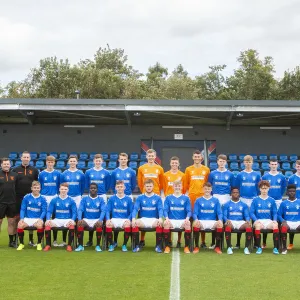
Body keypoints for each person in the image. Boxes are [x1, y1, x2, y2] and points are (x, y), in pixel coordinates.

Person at [137, 149, 164, 246]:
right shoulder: (141, 168)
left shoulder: (159, 168)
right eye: (149, 156)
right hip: (144, 196)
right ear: (147, 156)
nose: (151, 157)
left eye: (152, 156)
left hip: (156, 196)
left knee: (157, 218)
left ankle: (158, 242)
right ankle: (142, 239)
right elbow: (140, 182)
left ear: (155, 156)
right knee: (142, 216)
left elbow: (161, 183)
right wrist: (144, 190)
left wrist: (156, 191)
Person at [184, 150, 210, 248]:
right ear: (193, 157)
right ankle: (190, 239)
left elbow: (207, 183)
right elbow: (186, 184)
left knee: (202, 217)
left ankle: (203, 242)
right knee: (191, 218)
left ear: (201, 158)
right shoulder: (188, 169)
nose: (197, 158)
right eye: (195, 156)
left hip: (203, 197)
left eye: (198, 156)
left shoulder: (206, 169)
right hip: (192, 196)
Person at [13, 151, 39, 246]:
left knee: (31, 217)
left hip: (31, 198)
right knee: (17, 218)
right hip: (18, 197)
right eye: (24, 157)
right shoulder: (15, 170)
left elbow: (36, 184)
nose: (26, 159)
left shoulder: (34, 170)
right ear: (21, 158)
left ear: (30, 159)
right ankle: (16, 240)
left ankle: (31, 240)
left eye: (27, 157)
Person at [208, 154, 234, 249]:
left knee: (226, 220)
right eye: (220, 161)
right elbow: (209, 185)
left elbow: (233, 186)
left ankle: (227, 243)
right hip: (215, 197)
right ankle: (213, 242)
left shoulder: (230, 174)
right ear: (217, 162)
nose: (221, 163)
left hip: (226, 197)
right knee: (215, 220)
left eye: (223, 161)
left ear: (226, 162)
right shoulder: (212, 173)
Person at [235, 155, 261, 248]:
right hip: (243, 199)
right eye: (246, 162)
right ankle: (238, 243)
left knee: (254, 220)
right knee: (242, 220)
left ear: (252, 163)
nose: (248, 164)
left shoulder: (257, 175)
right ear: (244, 163)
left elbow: (259, 188)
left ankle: (256, 244)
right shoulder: (240, 174)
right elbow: (237, 187)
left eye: (249, 162)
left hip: (253, 199)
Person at [84, 153, 110, 246]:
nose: (98, 162)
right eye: (96, 160)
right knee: (91, 215)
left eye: (99, 161)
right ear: (93, 161)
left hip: (102, 195)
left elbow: (107, 185)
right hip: (91, 195)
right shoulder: (88, 172)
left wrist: (101, 191)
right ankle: (90, 240)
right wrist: (92, 192)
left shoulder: (106, 172)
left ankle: (104, 239)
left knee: (102, 217)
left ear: (102, 161)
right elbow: (87, 184)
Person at [131, 179, 163, 253]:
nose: (149, 188)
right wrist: (133, 218)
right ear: (144, 187)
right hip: (143, 219)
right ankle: (137, 245)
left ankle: (158, 246)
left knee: (159, 223)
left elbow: (160, 209)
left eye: (150, 186)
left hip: (154, 219)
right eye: (147, 186)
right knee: (135, 223)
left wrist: (160, 218)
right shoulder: (140, 197)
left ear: (153, 187)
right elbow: (135, 208)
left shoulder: (157, 198)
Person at [43, 183, 77, 252]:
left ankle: (69, 245)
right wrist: (48, 219)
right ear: (59, 189)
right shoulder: (54, 200)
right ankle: (48, 245)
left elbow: (74, 212)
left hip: (67, 219)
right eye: (62, 189)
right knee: (47, 225)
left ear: (68, 190)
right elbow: (49, 211)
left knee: (72, 225)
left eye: (65, 189)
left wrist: (73, 220)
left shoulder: (71, 200)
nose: (63, 191)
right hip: (57, 220)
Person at [261, 159, 286, 248]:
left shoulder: (282, 177)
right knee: (267, 219)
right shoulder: (265, 176)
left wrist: (279, 195)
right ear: (269, 165)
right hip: (268, 200)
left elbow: (283, 188)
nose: (274, 166)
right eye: (272, 164)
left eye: (275, 164)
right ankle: (264, 242)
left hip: (278, 200)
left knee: (277, 220)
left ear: (277, 165)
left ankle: (278, 242)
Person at [192, 182, 223, 254]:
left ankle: (217, 247)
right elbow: (195, 213)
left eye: (208, 189)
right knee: (196, 224)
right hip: (201, 221)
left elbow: (219, 212)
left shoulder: (216, 200)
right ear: (203, 189)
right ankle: (196, 246)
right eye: (205, 189)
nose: (207, 190)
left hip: (212, 221)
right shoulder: (198, 200)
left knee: (220, 225)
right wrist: (196, 219)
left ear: (211, 189)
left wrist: (220, 220)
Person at [250, 180, 279, 255]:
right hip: (259, 220)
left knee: (275, 225)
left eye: (265, 188)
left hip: (268, 221)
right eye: (262, 188)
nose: (264, 190)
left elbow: (275, 212)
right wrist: (255, 220)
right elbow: (251, 212)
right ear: (260, 189)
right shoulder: (255, 200)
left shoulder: (272, 200)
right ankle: (259, 247)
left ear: (268, 188)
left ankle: (275, 248)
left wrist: (275, 220)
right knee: (258, 226)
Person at [38, 155, 62, 247]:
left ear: (54, 163)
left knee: (54, 218)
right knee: (44, 218)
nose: (50, 164)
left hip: (54, 197)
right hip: (44, 197)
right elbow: (40, 186)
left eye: (52, 162)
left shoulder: (58, 173)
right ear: (46, 162)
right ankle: (43, 239)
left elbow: (60, 186)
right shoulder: (41, 174)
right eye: (49, 162)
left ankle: (55, 240)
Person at [16, 181, 47, 251]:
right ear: (31, 188)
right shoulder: (26, 197)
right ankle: (21, 244)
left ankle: (39, 243)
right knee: (20, 225)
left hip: (37, 218)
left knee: (39, 225)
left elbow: (44, 211)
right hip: (27, 218)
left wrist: (41, 219)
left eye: (38, 188)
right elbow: (23, 209)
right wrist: (21, 218)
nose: (36, 189)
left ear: (40, 189)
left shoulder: (43, 198)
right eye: (34, 188)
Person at [162, 180, 192, 254]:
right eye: (176, 186)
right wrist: (166, 218)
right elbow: (165, 210)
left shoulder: (186, 198)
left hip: (182, 220)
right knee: (166, 224)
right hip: (171, 220)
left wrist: (187, 218)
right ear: (173, 187)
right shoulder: (168, 197)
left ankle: (186, 247)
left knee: (188, 224)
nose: (177, 187)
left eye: (179, 186)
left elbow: (189, 211)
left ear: (181, 187)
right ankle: (167, 246)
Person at [162, 156, 186, 248]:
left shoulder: (182, 175)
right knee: (168, 219)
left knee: (180, 217)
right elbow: (164, 187)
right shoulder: (165, 175)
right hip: (169, 199)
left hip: (180, 199)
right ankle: (170, 240)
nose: (174, 164)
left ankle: (179, 241)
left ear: (178, 164)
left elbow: (183, 188)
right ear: (170, 163)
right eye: (173, 163)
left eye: (176, 163)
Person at [75, 183, 106, 252]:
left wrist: (100, 220)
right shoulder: (84, 199)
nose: (93, 189)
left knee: (99, 224)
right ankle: (80, 245)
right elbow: (80, 209)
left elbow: (103, 210)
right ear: (89, 189)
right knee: (80, 223)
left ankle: (98, 246)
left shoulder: (101, 199)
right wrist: (79, 219)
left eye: (94, 188)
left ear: (97, 189)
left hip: (96, 219)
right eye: (91, 188)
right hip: (87, 219)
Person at [105, 180, 133, 252]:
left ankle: (124, 245)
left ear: (124, 188)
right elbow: (107, 210)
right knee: (108, 225)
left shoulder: (128, 199)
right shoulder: (111, 198)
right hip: (114, 219)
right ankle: (111, 244)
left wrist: (129, 219)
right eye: (118, 187)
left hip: (124, 219)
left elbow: (132, 211)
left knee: (127, 225)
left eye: (121, 187)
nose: (120, 188)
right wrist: (108, 219)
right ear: (115, 188)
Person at [223, 187, 252, 255]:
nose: (235, 194)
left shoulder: (244, 205)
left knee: (248, 226)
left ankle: (246, 248)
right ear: (231, 194)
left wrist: (247, 220)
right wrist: (226, 220)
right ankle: (229, 247)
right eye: (234, 192)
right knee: (227, 225)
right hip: (231, 221)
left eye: (237, 192)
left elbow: (247, 215)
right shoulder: (226, 204)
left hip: (240, 222)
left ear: (239, 194)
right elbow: (224, 215)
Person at [0, 158, 19, 247]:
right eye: (4, 164)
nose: (6, 165)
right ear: (1, 165)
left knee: (11, 222)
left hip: (12, 202)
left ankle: (11, 242)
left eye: (8, 164)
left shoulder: (15, 175)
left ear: (10, 165)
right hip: (1, 202)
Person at [278, 184, 300, 254]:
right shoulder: (283, 203)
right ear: (287, 192)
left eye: (293, 191)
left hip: (298, 222)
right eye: (290, 191)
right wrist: (282, 221)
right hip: (287, 222)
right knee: (283, 228)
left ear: (295, 192)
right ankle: (284, 248)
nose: (292, 193)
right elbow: (279, 214)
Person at [287, 160, 300, 249]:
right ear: (296, 167)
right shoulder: (292, 178)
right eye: (298, 166)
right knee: (292, 220)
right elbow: (290, 190)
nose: (299, 168)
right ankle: (291, 243)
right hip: (294, 201)